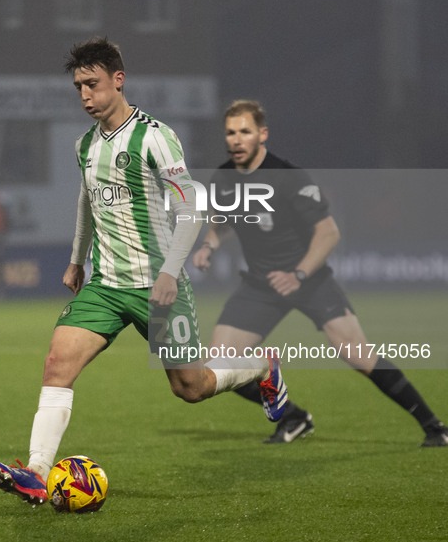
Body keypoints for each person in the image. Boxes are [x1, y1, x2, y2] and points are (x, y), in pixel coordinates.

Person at [0, 39, 289, 506]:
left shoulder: (154, 136)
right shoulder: (85, 144)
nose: (85, 95)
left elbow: (190, 209)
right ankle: (35, 473)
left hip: (158, 286)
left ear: (118, 80)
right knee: (56, 363)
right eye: (78, 87)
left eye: (93, 84)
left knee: (190, 388)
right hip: (106, 286)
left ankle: (260, 366)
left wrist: (171, 272)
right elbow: (87, 202)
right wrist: (76, 259)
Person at [192, 99, 448, 448]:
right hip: (261, 284)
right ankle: (295, 417)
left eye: (245, 132)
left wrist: (298, 274)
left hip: (309, 280)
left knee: (357, 354)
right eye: (231, 133)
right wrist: (209, 245)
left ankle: (434, 426)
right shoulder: (223, 177)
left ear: (262, 134)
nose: (236, 139)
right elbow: (222, 221)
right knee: (216, 366)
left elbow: (328, 233)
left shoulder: (288, 176)